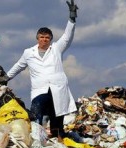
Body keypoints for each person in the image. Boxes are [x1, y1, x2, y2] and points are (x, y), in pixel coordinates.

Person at [7, 0, 78, 138]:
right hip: (40, 88)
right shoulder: (29, 53)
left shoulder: (56, 49)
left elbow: (67, 36)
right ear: (37, 38)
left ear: (50, 39)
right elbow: (18, 66)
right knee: (36, 111)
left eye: (47, 38)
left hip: (57, 87)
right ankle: (36, 136)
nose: (44, 40)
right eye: (41, 37)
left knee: (57, 115)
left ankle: (59, 137)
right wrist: (6, 77)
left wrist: (72, 18)